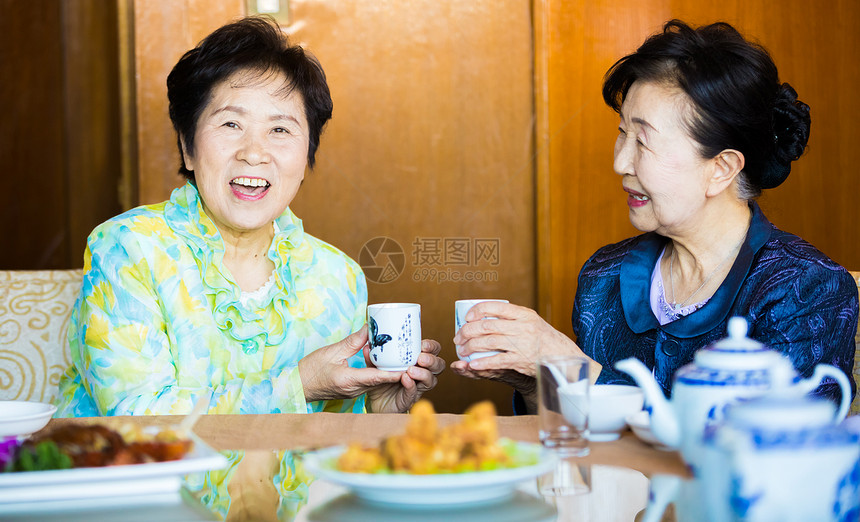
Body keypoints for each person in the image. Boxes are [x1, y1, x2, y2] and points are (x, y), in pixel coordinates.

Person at [452, 20, 857, 412]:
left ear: (720, 168)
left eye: (642, 141)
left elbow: (762, 452)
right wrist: (536, 380)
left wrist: (568, 365)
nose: (620, 162)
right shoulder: (605, 276)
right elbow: (576, 439)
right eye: (621, 132)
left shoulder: (806, 289)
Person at [56, 16, 445, 418]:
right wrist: (299, 385)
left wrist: (377, 412)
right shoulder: (128, 247)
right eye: (230, 123)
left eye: (280, 130)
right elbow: (136, 417)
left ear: (307, 154)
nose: (254, 152)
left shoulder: (338, 278)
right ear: (188, 148)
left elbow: (332, 448)